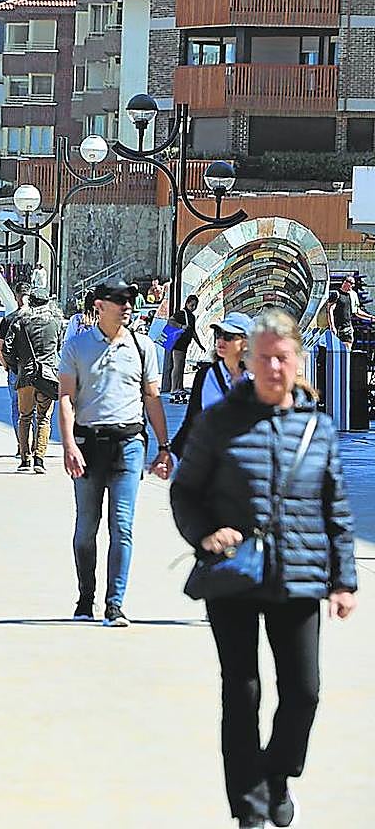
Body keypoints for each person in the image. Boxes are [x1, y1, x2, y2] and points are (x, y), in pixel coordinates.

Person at [169, 308, 357, 829]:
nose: (274, 367)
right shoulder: (220, 422)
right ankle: (249, 808)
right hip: (234, 573)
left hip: (299, 573)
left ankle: (277, 774)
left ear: (298, 361)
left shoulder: (316, 427)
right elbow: (185, 490)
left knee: (304, 691)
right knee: (242, 689)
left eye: (283, 358)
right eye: (264, 358)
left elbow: (335, 507)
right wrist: (205, 533)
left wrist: (344, 579)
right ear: (248, 362)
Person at [57, 278, 172, 627]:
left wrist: (164, 446)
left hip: (128, 444)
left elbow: (152, 398)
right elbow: (66, 397)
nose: (126, 306)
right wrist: (68, 445)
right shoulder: (77, 346)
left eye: (129, 301)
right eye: (119, 300)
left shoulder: (143, 346)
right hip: (89, 444)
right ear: (99, 306)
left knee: (122, 526)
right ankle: (85, 596)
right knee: (86, 529)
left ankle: (115, 604)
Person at [171, 311, 253, 458]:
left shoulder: (256, 378)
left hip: (246, 462)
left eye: (228, 336)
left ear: (245, 342)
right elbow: (192, 420)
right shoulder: (205, 375)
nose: (221, 340)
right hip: (210, 461)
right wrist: (170, 454)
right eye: (218, 334)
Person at [4, 288, 62, 474]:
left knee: (25, 417)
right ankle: (40, 458)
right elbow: (58, 347)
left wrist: (15, 366)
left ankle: (24, 459)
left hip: (26, 374)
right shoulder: (55, 323)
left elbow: (7, 349)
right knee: (44, 418)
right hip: (47, 375)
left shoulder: (20, 322)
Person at [0, 281, 30, 448]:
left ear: (16, 297)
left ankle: (21, 444)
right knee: (36, 409)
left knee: (18, 408)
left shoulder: (8, 319)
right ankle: (36, 445)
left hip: (16, 369)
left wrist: (6, 366)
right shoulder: (39, 318)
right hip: (35, 369)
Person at [164, 293, 206, 394]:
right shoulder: (181, 313)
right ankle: (174, 388)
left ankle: (180, 387)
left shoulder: (191, 316)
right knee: (177, 366)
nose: (193, 307)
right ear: (187, 303)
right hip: (178, 344)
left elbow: (193, 331)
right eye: (192, 305)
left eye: (195, 306)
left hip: (185, 344)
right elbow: (170, 321)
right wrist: (181, 326)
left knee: (181, 366)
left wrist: (199, 345)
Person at [325, 273, 374, 350]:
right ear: (345, 282)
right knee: (334, 352)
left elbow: (356, 311)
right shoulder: (336, 294)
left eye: (353, 284)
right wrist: (332, 326)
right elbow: (330, 310)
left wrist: (370, 317)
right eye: (351, 283)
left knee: (347, 350)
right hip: (337, 328)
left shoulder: (352, 295)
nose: (352, 285)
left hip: (347, 328)